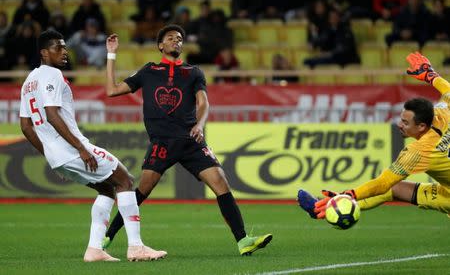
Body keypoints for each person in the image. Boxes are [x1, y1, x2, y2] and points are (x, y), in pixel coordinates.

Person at [102, 24, 272, 255]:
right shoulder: (148, 71)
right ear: (160, 45)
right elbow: (112, 90)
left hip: (190, 140)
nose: (176, 41)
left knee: (220, 181)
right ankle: (108, 236)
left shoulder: (193, 72)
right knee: (142, 190)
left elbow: (204, 103)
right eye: (171, 38)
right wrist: (112, 53)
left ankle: (243, 241)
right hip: (162, 142)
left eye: (180, 38)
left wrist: (199, 125)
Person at [19, 29, 167, 262]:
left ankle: (94, 250)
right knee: (125, 180)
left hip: (57, 156)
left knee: (106, 189)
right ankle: (136, 247)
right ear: (44, 53)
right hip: (70, 149)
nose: (64, 52)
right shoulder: (52, 75)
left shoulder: (28, 81)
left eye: (65, 47)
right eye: (58, 47)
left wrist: (50, 155)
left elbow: (26, 127)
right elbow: (52, 114)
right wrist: (80, 148)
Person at [298, 52, 450, 219]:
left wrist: (349, 194)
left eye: (406, 123)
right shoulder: (444, 110)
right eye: (401, 119)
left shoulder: (420, 151)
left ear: (421, 126)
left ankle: (332, 206)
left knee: (388, 186)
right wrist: (431, 76)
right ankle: (329, 208)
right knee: (395, 189)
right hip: (446, 191)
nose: (399, 125)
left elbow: (383, 183)